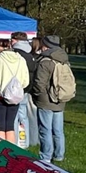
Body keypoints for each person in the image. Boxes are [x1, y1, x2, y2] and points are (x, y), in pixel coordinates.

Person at [32, 35, 71, 163]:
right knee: (58, 130)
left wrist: (37, 96)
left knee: (45, 130)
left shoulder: (45, 61)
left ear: (45, 45)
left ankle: (45, 157)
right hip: (61, 98)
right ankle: (59, 155)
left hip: (46, 100)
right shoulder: (64, 59)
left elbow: (39, 83)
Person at [0, 38, 29, 144]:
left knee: (0, 126)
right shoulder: (21, 59)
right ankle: (10, 151)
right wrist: (18, 88)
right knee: (10, 126)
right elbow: (26, 80)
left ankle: (1, 151)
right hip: (15, 96)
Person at [10, 31, 38, 147]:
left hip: (16, 89)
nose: (10, 42)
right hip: (27, 89)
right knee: (24, 116)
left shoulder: (16, 55)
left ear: (17, 41)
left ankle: (15, 141)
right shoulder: (30, 55)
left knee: (14, 117)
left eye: (12, 40)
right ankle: (25, 141)